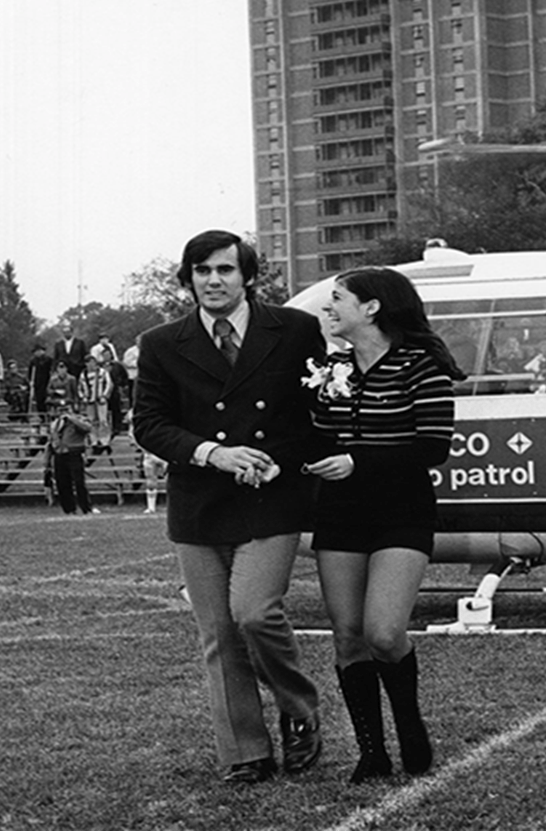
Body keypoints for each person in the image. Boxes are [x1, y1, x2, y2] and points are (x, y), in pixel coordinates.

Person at [132, 229, 324, 785]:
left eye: (225, 270)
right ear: (187, 278)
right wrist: (214, 453)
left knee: (255, 613)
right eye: (201, 271)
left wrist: (275, 460)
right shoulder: (162, 343)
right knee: (218, 630)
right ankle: (244, 751)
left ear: (247, 276)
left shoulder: (294, 330)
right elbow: (150, 424)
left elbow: (317, 415)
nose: (213, 281)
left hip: (273, 495)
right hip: (200, 502)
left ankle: (298, 707)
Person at [304, 267, 462, 782]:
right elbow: (318, 437)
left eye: (337, 299)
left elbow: (432, 448)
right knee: (348, 636)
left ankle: (410, 725)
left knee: (385, 632)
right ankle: (371, 752)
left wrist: (358, 462)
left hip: (402, 509)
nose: (328, 309)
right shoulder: (331, 368)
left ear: (371, 308)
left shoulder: (421, 367)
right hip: (341, 512)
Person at [44, 400, 95, 515]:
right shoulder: (55, 424)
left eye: (66, 409)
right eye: (61, 410)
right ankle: (69, 509)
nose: (63, 412)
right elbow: (51, 441)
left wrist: (71, 418)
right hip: (59, 454)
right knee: (62, 483)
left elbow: (87, 428)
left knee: (79, 483)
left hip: (74, 453)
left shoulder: (79, 420)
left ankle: (86, 507)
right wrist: (47, 459)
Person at [77, 354, 113, 449]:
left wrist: (104, 396)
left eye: (93, 362)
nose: (92, 364)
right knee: (92, 421)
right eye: (89, 362)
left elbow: (109, 384)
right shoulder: (83, 375)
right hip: (90, 401)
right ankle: (94, 440)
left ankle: (104, 440)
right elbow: (79, 388)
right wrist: (83, 397)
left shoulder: (102, 372)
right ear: (86, 364)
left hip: (100, 400)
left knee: (103, 420)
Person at [27, 344, 54, 418]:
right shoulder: (33, 361)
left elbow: (52, 369)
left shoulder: (48, 359)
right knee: (39, 400)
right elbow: (30, 372)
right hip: (37, 383)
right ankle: (41, 416)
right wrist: (31, 381)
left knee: (48, 399)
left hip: (47, 381)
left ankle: (49, 415)